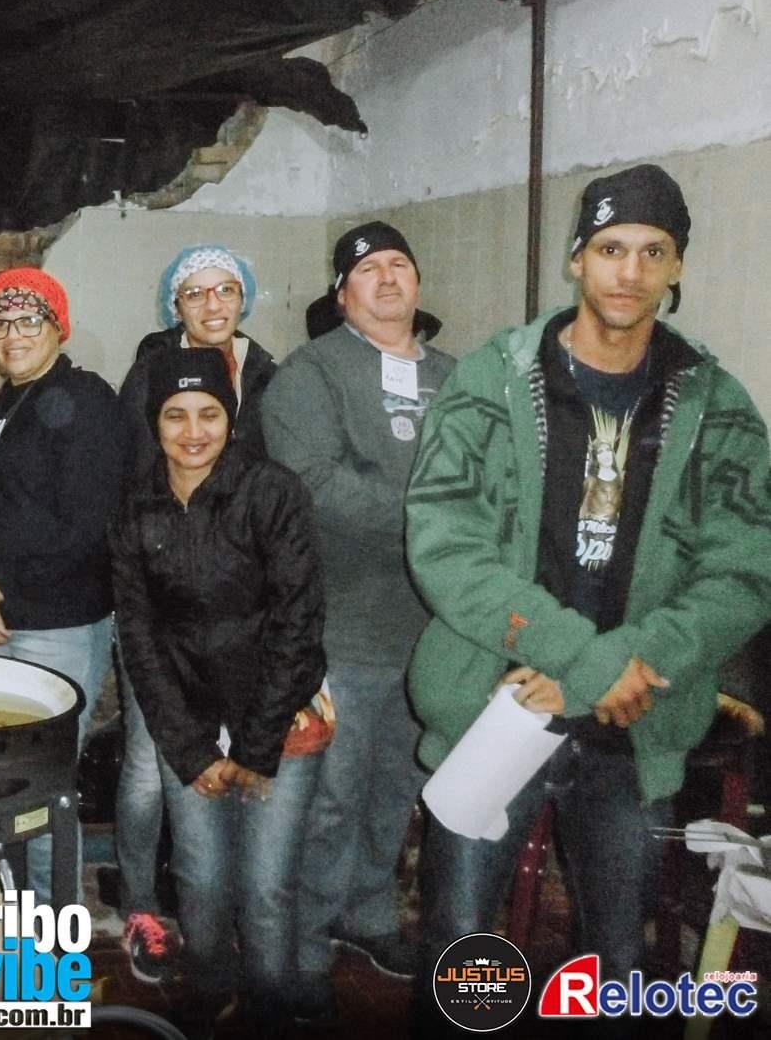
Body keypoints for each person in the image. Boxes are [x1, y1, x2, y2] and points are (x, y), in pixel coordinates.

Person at [405, 164, 771, 1029]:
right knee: (462, 949)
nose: (629, 271)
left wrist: (626, 664)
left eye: (653, 251)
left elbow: (745, 568)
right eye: (610, 248)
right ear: (577, 258)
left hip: (633, 714)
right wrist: (580, 658)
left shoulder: (717, 406)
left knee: (619, 958)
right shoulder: (493, 380)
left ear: (677, 266)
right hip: (501, 699)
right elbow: (445, 544)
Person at [262, 222, 455, 1021]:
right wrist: (432, 517)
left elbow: (491, 476)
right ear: (341, 294)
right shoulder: (309, 373)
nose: (387, 277)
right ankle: (306, 941)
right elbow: (313, 483)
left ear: (418, 283)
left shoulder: (456, 377)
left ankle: (368, 913)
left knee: (396, 788)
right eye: (367, 268)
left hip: (434, 632)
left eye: (400, 263)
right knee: (331, 799)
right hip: (340, 628)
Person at [111, 347, 326, 1032]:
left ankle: (269, 1008)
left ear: (231, 419)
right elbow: (139, 637)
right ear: (155, 422)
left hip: (280, 716)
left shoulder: (272, 492)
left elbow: (298, 622)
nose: (193, 431)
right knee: (200, 879)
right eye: (175, 415)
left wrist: (257, 746)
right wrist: (190, 749)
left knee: (266, 887)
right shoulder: (136, 506)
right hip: (189, 719)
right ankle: (208, 995)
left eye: (209, 413)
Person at [0, 266, 124, 905]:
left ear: (58, 327)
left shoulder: (87, 400)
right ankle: (13, 909)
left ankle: (54, 925)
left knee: (42, 788)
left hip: (59, 627)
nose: (13, 335)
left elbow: (90, 522)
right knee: (2, 781)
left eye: (29, 320)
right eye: (0, 323)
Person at [113, 244, 277, 982]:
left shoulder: (268, 372)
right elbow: (128, 479)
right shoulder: (150, 370)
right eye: (195, 293)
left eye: (226, 290)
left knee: (229, 755)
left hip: (243, 607)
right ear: (173, 304)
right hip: (163, 595)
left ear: (244, 298)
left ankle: (214, 909)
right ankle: (141, 905)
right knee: (151, 767)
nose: (213, 305)